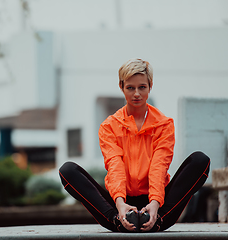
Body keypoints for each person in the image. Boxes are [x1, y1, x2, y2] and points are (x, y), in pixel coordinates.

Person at [59, 58, 210, 232]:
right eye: (130, 88)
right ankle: (117, 220)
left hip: (158, 205)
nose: (136, 93)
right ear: (121, 87)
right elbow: (114, 166)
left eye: (142, 87)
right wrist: (120, 204)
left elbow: (159, 166)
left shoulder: (164, 125)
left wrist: (154, 203)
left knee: (200, 160)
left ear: (150, 86)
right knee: (67, 170)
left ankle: (156, 220)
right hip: (119, 204)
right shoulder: (109, 126)